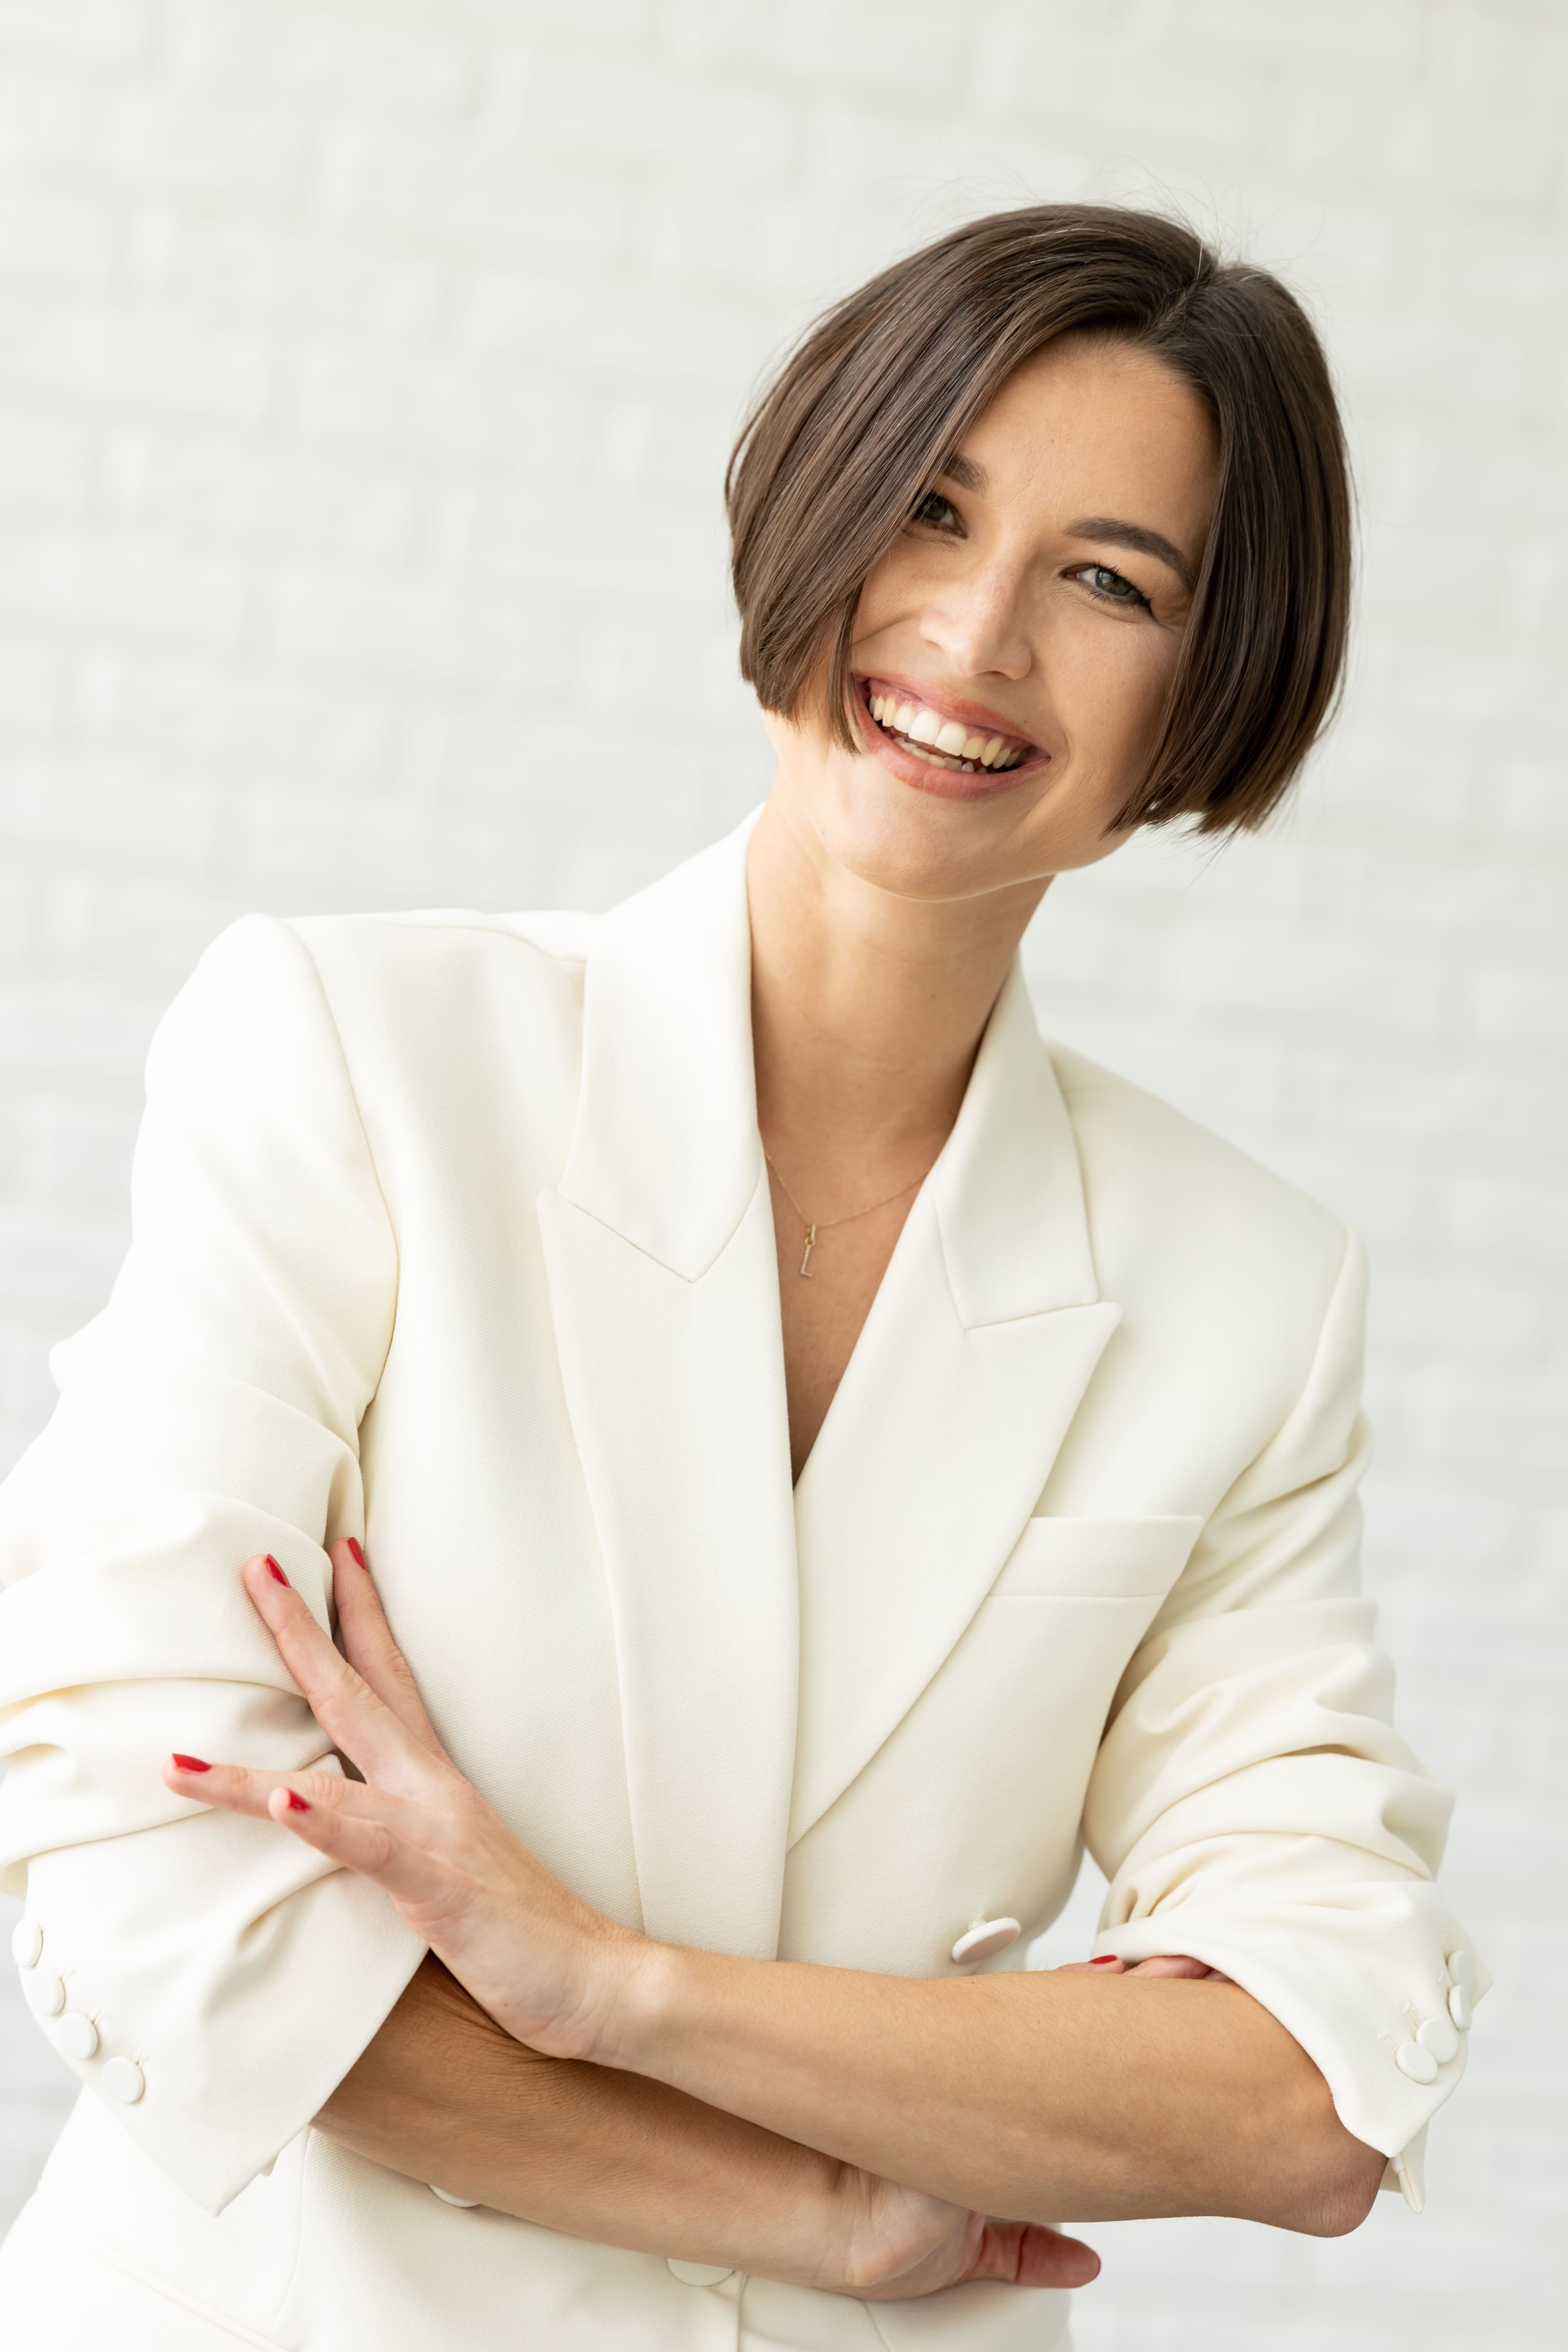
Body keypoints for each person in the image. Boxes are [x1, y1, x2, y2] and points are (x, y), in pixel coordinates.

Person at [0, 205, 1482, 2352]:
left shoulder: (1243, 1294)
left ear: (1203, 696)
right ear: (809, 509)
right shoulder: (353, 1056)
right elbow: (141, 1876)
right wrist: (817, 2214)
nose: (973, 637)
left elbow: (1305, 2087)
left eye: (1105, 580)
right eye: (928, 506)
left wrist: (610, 1982)